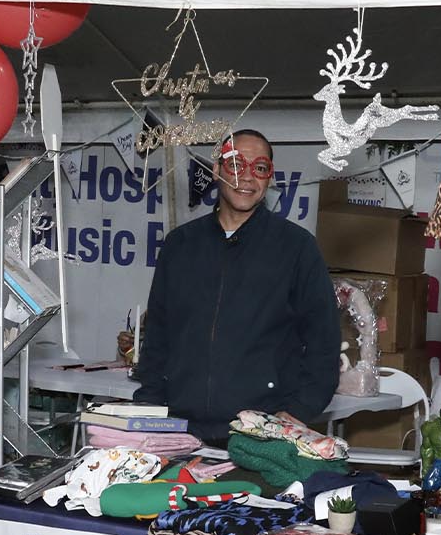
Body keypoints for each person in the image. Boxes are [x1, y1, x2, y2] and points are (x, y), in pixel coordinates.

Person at [133, 130, 340, 445]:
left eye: (259, 168)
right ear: (216, 170)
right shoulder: (180, 245)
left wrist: (299, 410)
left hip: (260, 436)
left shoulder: (296, 248)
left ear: (269, 178)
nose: (247, 177)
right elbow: (158, 337)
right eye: (235, 164)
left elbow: (324, 342)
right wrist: (148, 408)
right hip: (180, 430)